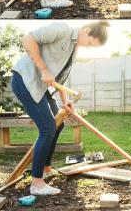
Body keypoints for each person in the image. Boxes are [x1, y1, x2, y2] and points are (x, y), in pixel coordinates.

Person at [11, 21, 110, 196]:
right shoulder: (62, 30)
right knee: (48, 128)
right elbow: (27, 39)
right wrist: (43, 69)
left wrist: (65, 102)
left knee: (58, 124)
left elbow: (59, 79)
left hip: (41, 88)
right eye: (89, 43)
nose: (86, 47)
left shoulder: (74, 48)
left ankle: (46, 169)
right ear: (86, 30)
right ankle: (37, 183)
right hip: (25, 81)